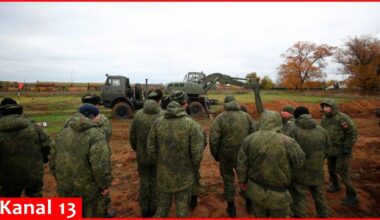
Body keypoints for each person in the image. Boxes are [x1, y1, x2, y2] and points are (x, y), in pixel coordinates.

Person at [237, 110, 305, 217]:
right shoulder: (289, 142)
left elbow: (242, 163)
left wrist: (242, 181)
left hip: (256, 191)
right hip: (278, 194)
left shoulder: (249, 139)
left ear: (262, 121)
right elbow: (299, 163)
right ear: (279, 121)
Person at [147, 90, 204, 217]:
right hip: (184, 177)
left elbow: (151, 150)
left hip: (163, 176)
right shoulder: (192, 125)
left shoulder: (158, 123)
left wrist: (161, 163)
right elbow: (197, 155)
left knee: (161, 210)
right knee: (182, 212)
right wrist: (191, 168)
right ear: (185, 104)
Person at [50, 104, 112, 218]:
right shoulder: (96, 135)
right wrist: (104, 185)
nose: (100, 118)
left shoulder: (62, 133)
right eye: (98, 116)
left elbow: (52, 162)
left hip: (65, 188)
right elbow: (100, 166)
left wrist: (61, 180)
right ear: (91, 116)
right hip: (89, 191)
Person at [209, 95, 256, 217]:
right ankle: (249, 203)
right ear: (236, 103)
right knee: (245, 177)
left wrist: (216, 155)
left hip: (226, 155)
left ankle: (231, 207)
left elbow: (214, 139)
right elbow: (254, 135)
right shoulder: (247, 117)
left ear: (225, 104)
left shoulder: (220, 118)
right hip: (244, 155)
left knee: (228, 179)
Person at [0, 99, 51, 197]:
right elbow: (46, 146)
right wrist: (43, 159)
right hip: (33, 173)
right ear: (20, 112)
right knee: (36, 200)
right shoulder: (33, 126)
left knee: (10, 202)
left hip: (7, 175)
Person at [287, 106, 331, 217]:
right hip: (317, 170)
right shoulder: (322, 130)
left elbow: (288, 150)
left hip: (299, 172)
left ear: (296, 117)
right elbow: (328, 150)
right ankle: (324, 215)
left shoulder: (293, 130)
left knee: (299, 198)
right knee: (319, 195)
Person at [129, 90, 163, 217]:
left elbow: (132, 136)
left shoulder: (138, 115)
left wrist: (138, 150)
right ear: (159, 100)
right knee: (155, 181)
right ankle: (154, 208)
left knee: (144, 181)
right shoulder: (163, 115)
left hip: (142, 156)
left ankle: (144, 209)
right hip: (158, 157)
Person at [320, 99, 358, 206]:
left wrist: (347, 147)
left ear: (333, 107)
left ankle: (352, 195)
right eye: (324, 107)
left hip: (342, 151)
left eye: (328, 107)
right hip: (330, 150)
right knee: (331, 168)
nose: (325, 109)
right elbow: (323, 133)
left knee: (341, 170)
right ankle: (335, 184)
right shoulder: (324, 119)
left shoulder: (343, 119)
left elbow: (352, 133)